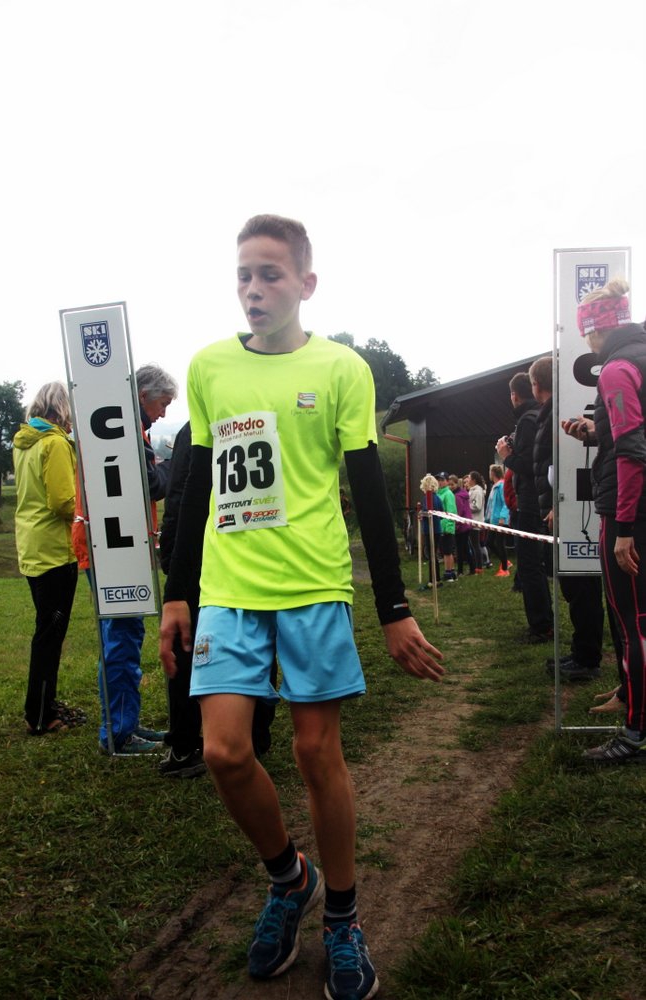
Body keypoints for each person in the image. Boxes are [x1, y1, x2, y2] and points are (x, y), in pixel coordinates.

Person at [159, 213, 444, 1000]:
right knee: (223, 751)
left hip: (313, 585)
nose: (253, 289)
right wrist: (177, 592)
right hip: (228, 589)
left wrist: (392, 605)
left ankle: (342, 918)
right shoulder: (209, 368)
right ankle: (290, 878)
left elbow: (368, 492)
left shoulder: (343, 369)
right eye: (242, 275)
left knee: (317, 753)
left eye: (269, 274)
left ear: (305, 284)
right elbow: (196, 485)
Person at [158, 421, 276, 777]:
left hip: (212, 554)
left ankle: (189, 743)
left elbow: (178, 496)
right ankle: (251, 737)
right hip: (246, 552)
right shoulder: (249, 419)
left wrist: (173, 556)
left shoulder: (195, 428)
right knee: (252, 635)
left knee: (190, 644)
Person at [73, 364, 178, 755]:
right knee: (121, 635)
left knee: (125, 634)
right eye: (162, 404)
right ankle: (118, 732)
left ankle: (125, 722)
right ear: (142, 395)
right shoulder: (125, 429)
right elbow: (151, 485)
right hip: (111, 547)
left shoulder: (120, 424)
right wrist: (173, 464)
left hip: (113, 544)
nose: (163, 413)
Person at [562, 278, 646, 763]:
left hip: (630, 511)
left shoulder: (616, 368)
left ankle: (636, 734)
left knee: (634, 624)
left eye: (586, 334)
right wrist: (597, 431)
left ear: (595, 330)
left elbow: (632, 451)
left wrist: (625, 529)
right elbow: (630, 433)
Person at [530, 355, 605, 682]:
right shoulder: (549, 413)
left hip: (568, 510)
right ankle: (582, 651)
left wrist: (557, 505)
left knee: (581, 585)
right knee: (575, 586)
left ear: (536, 385)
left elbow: (559, 463)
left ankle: (587, 657)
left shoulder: (556, 413)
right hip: (562, 507)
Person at [13, 382, 82, 735]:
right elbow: (62, 502)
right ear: (62, 409)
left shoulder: (25, 442)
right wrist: (88, 512)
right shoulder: (54, 443)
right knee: (49, 636)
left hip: (32, 547)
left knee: (47, 632)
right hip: (55, 551)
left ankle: (46, 703)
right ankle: (40, 715)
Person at [497, 372, 554, 642]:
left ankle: (541, 625)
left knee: (530, 566)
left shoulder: (528, 421)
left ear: (514, 395)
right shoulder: (536, 416)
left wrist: (507, 457)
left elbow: (532, 465)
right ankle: (543, 623)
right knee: (533, 565)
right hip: (533, 501)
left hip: (530, 503)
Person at [447, 475, 476, 575]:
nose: (450, 486)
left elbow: (459, 512)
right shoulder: (462, 493)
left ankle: (460, 571)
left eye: (452, 484)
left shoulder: (457, 496)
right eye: (449, 484)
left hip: (461, 525)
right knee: (465, 548)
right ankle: (472, 568)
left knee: (461, 549)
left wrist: (456, 525)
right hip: (466, 524)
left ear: (456, 484)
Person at [485, 464, 510, 575]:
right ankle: (505, 562)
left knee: (500, 543)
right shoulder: (494, 486)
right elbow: (491, 505)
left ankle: (505, 569)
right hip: (493, 520)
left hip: (500, 520)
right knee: (489, 542)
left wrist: (502, 517)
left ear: (493, 473)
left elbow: (505, 502)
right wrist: (487, 518)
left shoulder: (501, 486)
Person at [435, 472, 458, 582]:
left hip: (446, 527)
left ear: (447, 481)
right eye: (438, 480)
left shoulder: (448, 494)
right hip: (440, 526)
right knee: (445, 551)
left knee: (448, 551)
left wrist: (449, 527)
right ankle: (451, 571)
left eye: (442, 480)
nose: (440, 482)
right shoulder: (438, 493)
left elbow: (451, 511)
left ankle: (449, 573)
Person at [467, 470, 490, 569]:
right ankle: (477, 565)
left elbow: (477, 506)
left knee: (476, 545)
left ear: (473, 480)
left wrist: (466, 507)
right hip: (472, 521)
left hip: (476, 521)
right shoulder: (472, 490)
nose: (467, 480)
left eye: (469, 478)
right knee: (474, 545)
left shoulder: (477, 491)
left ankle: (479, 566)